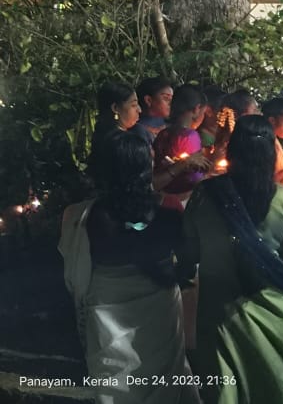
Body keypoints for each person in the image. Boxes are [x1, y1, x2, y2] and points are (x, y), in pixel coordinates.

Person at [181, 115, 283, 403]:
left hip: (221, 316)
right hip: (279, 315)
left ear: (232, 151)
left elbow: (189, 254)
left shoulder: (204, 196)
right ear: (272, 153)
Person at [60, 132, 199, 404]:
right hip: (160, 309)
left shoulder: (81, 216)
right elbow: (188, 262)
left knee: (115, 384)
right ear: (145, 168)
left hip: (105, 311)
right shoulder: (169, 208)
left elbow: (73, 266)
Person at [153, 85, 209, 210]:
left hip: (161, 200)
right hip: (181, 202)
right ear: (196, 109)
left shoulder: (163, 133)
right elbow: (195, 178)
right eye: (203, 113)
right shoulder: (190, 136)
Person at [131, 77, 173, 145]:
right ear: (148, 100)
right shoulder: (136, 130)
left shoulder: (169, 123)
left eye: (171, 99)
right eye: (166, 98)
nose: (170, 103)